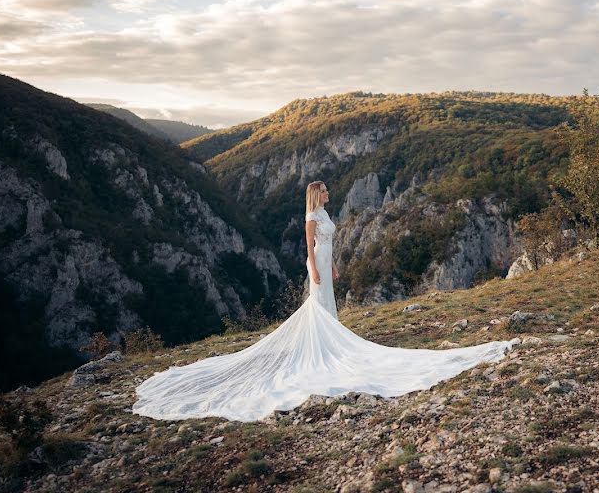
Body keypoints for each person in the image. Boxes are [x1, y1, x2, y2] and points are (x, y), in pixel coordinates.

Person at [132, 180, 519, 422]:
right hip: (314, 263)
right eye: (326, 191)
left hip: (325, 261)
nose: (331, 194)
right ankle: (320, 350)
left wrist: (331, 266)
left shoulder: (325, 212)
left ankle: (329, 340)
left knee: (327, 309)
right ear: (316, 195)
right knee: (316, 308)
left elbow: (329, 243)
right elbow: (310, 245)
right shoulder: (310, 217)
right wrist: (315, 271)